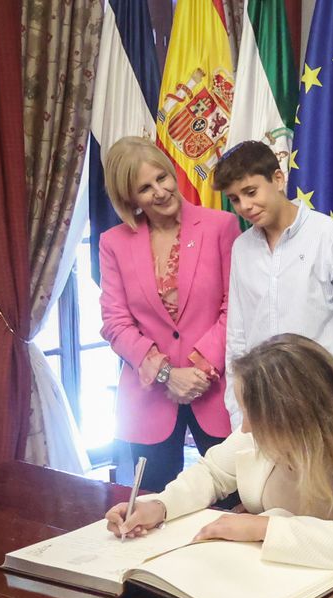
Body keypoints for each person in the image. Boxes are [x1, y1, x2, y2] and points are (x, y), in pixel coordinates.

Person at [106, 333, 333, 571]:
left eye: (252, 415)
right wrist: (160, 506)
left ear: (294, 417)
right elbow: (212, 473)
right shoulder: (267, 429)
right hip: (286, 580)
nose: (245, 429)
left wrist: (262, 528)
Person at [98, 136, 239, 491]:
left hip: (216, 392)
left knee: (234, 503)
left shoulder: (221, 226)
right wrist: (166, 374)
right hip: (149, 403)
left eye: (162, 177)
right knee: (154, 505)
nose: (160, 192)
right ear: (129, 198)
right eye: (145, 188)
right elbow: (115, 323)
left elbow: (236, 307)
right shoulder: (113, 243)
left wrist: (199, 370)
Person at [211, 140, 333, 427]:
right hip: (263, 408)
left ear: (278, 179)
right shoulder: (242, 249)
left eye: (251, 192)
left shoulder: (331, 237)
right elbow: (238, 337)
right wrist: (238, 413)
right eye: (234, 199)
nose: (244, 206)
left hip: (326, 404)